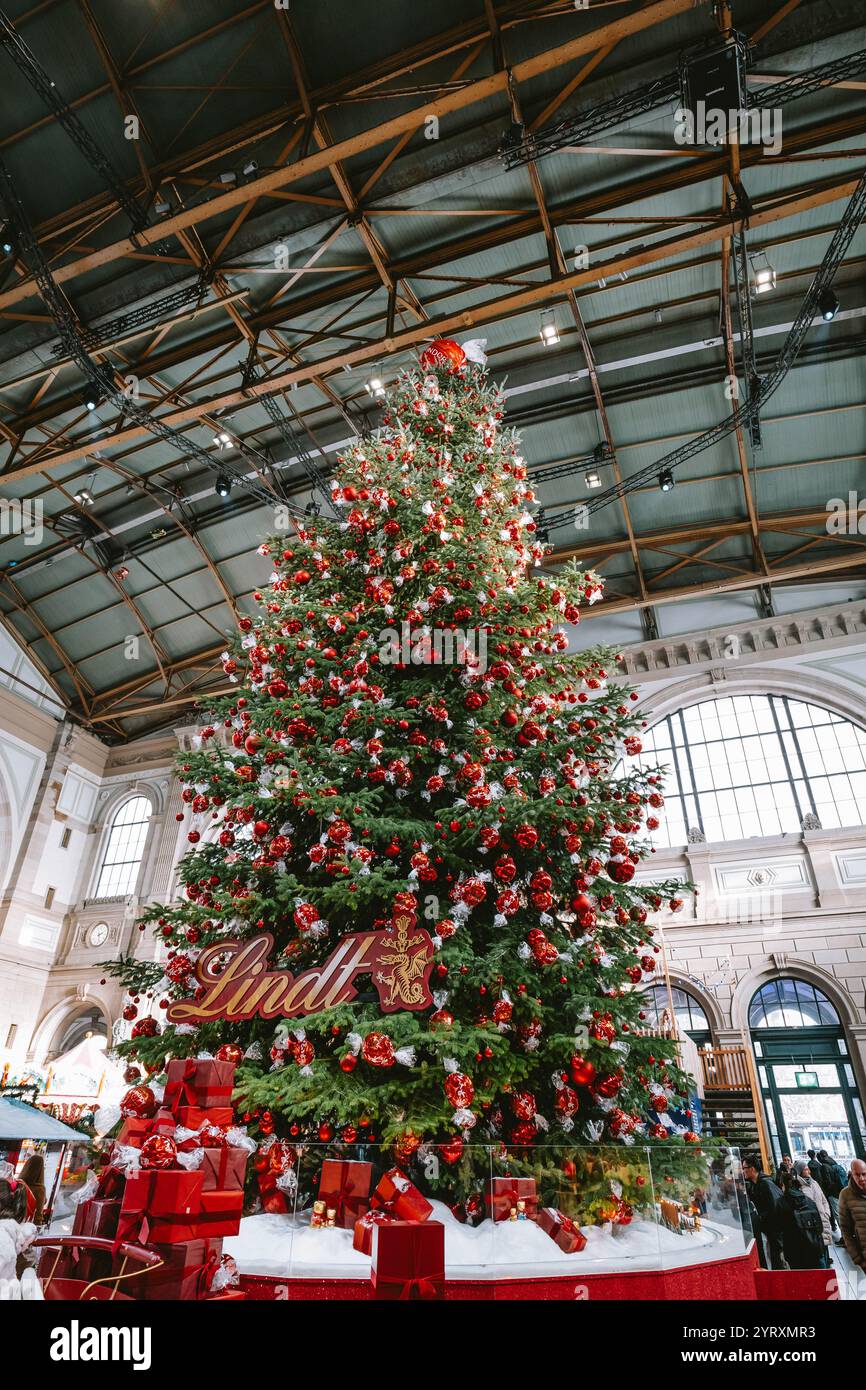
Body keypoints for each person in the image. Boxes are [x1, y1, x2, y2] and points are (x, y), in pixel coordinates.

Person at [777, 1169, 828, 1270]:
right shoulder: (808, 1200)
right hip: (815, 1250)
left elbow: (778, 1228)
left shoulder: (781, 1203)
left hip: (795, 1253)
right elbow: (820, 1228)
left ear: (782, 1185)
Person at [742, 1154, 785, 1269]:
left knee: (778, 1261)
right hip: (769, 1230)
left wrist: (761, 1218)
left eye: (744, 1168)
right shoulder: (754, 1185)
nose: (743, 1171)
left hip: (776, 1231)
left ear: (752, 1169)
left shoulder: (766, 1184)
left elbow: (776, 1206)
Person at [791, 1158, 832, 1265]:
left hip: (823, 1219)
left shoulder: (814, 1183)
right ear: (799, 1171)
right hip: (812, 1225)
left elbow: (824, 1200)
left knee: (825, 1248)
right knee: (818, 1253)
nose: (808, 1171)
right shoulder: (798, 1187)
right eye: (805, 1169)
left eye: (808, 1168)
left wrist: (827, 1213)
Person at [838, 1158, 866, 1276]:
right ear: (851, 1174)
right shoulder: (845, 1195)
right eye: (857, 1175)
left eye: (864, 1174)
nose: (861, 1179)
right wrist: (857, 1259)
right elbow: (845, 1229)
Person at [817, 1150, 847, 1239]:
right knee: (842, 1213)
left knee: (837, 1214)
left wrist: (827, 1191)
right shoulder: (833, 1162)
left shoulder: (824, 1166)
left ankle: (844, 1237)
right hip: (840, 1191)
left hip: (833, 1193)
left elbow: (828, 1181)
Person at [17, 1153, 46, 1225]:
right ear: (40, 1170)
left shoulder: (18, 1183)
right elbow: (38, 1215)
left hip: (13, 1223)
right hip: (26, 1227)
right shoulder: (39, 1189)